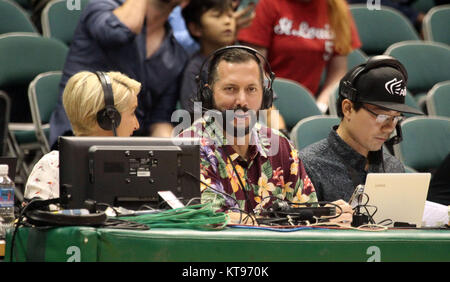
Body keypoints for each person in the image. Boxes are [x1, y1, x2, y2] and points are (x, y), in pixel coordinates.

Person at [178, 46, 331, 223]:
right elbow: (212, 219)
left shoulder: (282, 146)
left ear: (265, 96)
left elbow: (307, 216)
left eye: (251, 89)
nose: (242, 101)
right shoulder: (189, 147)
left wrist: (328, 215)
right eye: (230, 89)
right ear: (208, 94)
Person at [49, 0, 189, 149]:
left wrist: (174, 156)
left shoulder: (176, 56)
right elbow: (118, 31)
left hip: (129, 149)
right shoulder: (102, 7)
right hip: (77, 139)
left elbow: (159, 120)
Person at [299, 56, 423, 203]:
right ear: (348, 109)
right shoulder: (308, 166)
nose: (390, 127)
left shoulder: (393, 168)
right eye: (382, 116)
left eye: (396, 118)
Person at [25, 71, 141, 201]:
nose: (137, 125)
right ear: (109, 118)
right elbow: (40, 219)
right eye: (132, 113)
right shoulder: (53, 168)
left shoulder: (136, 165)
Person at [237, 0, 362, 113]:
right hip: (266, 101)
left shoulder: (336, 7)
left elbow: (338, 72)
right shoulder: (266, 4)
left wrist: (320, 106)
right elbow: (254, 69)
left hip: (311, 103)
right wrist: (272, 104)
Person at [179, 0, 286, 131]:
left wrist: (281, 133)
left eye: (230, 15)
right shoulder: (194, 70)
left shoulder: (248, 62)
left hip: (257, 138)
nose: (227, 21)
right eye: (217, 16)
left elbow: (269, 111)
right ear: (196, 28)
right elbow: (194, 118)